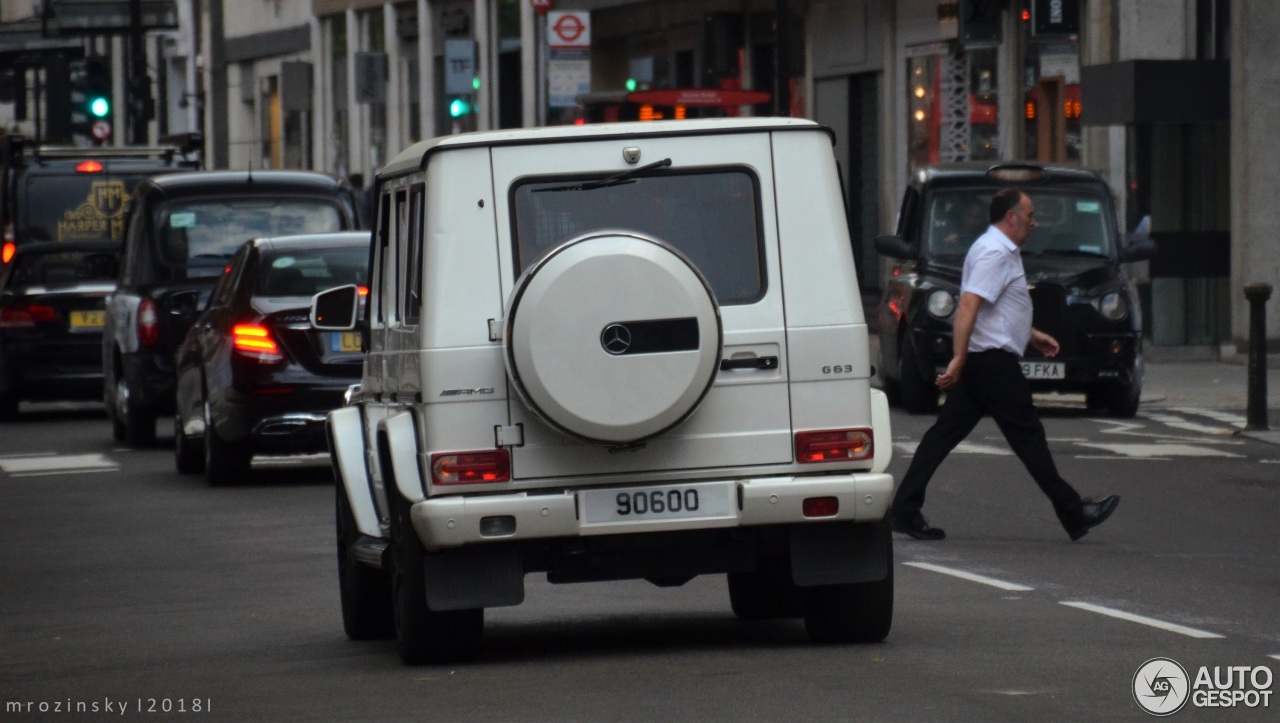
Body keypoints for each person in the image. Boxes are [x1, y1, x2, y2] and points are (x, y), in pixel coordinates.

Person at [891, 188, 1120, 542]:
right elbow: (968, 305)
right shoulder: (994, 253)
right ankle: (1074, 512)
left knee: (943, 435)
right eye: (1029, 215)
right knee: (1028, 436)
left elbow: (993, 308)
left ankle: (904, 508)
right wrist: (960, 358)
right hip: (991, 363)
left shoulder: (997, 250)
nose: (1034, 222)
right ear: (1011, 217)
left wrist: (1029, 334)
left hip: (985, 359)